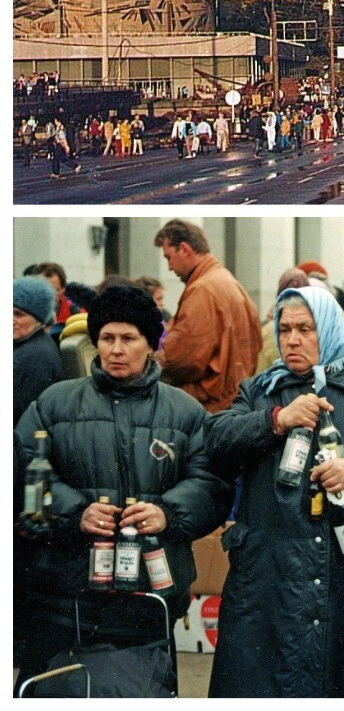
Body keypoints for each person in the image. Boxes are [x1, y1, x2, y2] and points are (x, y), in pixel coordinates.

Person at [13, 285, 230, 693]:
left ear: (150, 343)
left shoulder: (185, 412)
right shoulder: (53, 404)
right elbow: (24, 472)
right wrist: (75, 512)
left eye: (128, 338)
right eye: (107, 338)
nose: (115, 349)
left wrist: (168, 512)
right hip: (66, 592)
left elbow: (212, 483)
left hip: (151, 594)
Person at [205, 286, 344, 697]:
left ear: (329, 329)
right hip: (272, 574)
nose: (293, 340)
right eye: (284, 330)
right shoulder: (261, 390)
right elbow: (217, 440)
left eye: (305, 328)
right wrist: (277, 420)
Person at [154, 219, 263, 413]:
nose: (170, 267)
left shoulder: (203, 289)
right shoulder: (227, 281)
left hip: (209, 407)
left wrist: (153, 358)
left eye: (168, 257)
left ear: (184, 249)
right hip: (235, 401)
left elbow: (181, 358)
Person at [13, 276, 63, 428]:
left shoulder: (32, 356)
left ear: (39, 320)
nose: (11, 319)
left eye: (19, 314)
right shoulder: (31, 344)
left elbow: (21, 415)